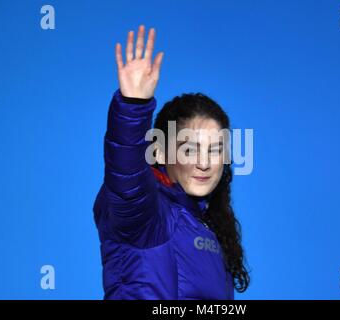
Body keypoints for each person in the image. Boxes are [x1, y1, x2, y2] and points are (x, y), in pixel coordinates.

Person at [93, 24, 249, 299]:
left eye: (215, 150)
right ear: (161, 153)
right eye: (190, 150)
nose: (204, 163)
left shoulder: (208, 228)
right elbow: (126, 173)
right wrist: (132, 105)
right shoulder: (148, 215)